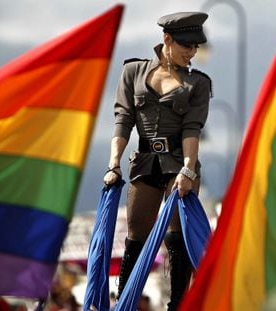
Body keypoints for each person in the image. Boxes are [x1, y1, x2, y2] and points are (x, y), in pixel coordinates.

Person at [103, 11, 212, 311]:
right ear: (167, 39)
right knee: (136, 239)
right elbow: (122, 120)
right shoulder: (133, 72)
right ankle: (125, 302)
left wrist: (188, 169)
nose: (192, 53)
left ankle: (178, 305)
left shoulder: (198, 83)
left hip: (180, 163)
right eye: (186, 46)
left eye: (195, 47)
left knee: (177, 240)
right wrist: (113, 164)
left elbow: (193, 128)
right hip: (145, 162)